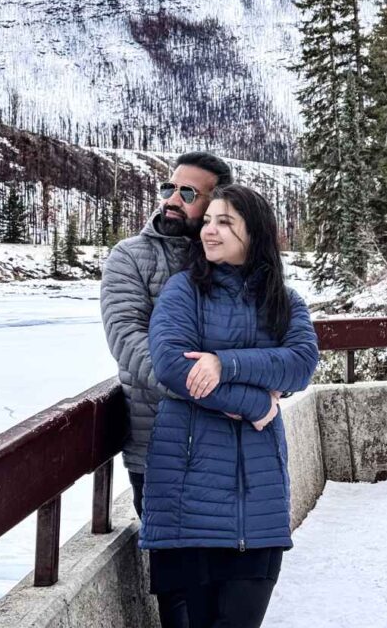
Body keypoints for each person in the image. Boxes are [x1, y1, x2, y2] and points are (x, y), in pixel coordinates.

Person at [140, 184, 320, 628]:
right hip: (186, 501)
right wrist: (256, 402)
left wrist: (225, 364)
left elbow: (300, 364)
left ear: (254, 233)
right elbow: (172, 366)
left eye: (225, 222)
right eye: (208, 221)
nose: (209, 231)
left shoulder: (284, 300)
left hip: (259, 503)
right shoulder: (184, 291)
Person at [100, 151, 232, 626]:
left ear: (217, 203)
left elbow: (265, 334)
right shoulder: (129, 256)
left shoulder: (231, 256)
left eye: (188, 193)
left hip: (227, 444)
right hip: (158, 444)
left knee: (227, 578)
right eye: (168, 188)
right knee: (178, 582)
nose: (173, 199)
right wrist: (202, 392)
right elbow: (127, 338)